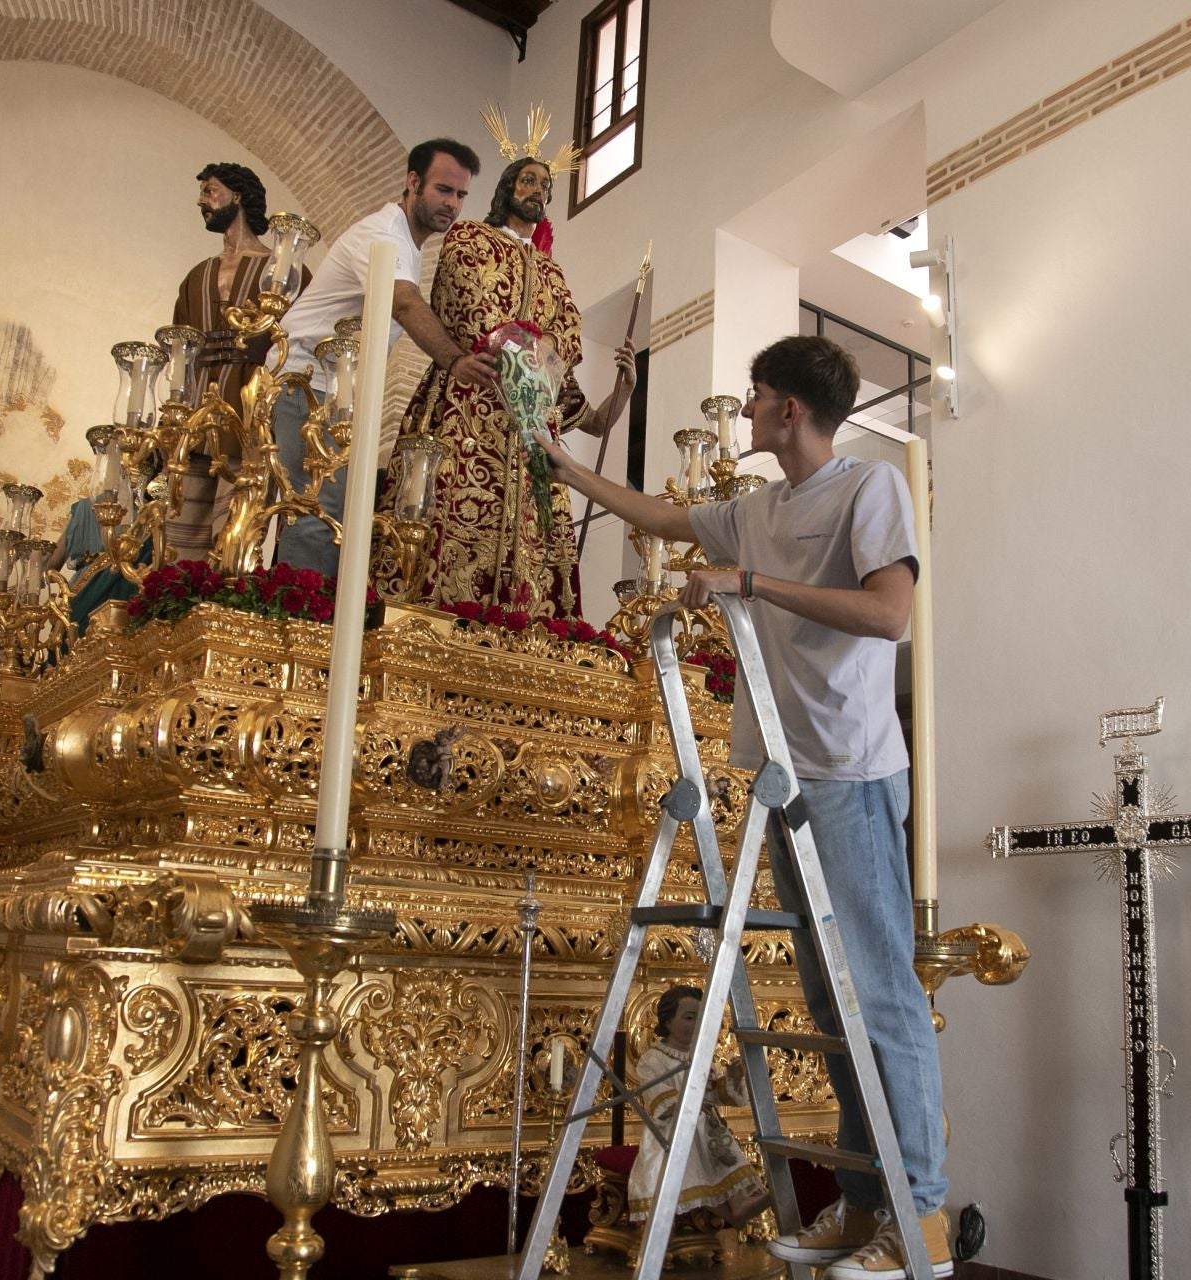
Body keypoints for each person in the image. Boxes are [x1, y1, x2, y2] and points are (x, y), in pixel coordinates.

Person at [538, 335, 950, 1279]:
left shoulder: (868, 489)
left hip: (849, 772)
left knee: (880, 994)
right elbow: (665, 515)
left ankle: (920, 1217)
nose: (750, 406)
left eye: (758, 395)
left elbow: (891, 615)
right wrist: (567, 469)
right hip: (784, 780)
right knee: (824, 997)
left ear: (788, 411)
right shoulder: (761, 505)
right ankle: (863, 1202)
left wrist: (753, 585)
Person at [368, 154, 635, 618]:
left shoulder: (553, 273)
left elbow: (575, 358)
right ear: (508, 187)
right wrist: (530, 348)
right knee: (445, 521)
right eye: (528, 180)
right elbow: (470, 305)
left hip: (532, 424)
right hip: (470, 404)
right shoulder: (470, 237)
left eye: (545, 186)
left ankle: (522, 627)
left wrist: (622, 386)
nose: (537, 191)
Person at [271, 138, 486, 576]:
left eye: (461, 195)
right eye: (444, 190)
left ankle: (314, 618)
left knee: (334, 513)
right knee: (317, 509)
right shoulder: (383, 233)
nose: (453, 204)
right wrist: (455, 361)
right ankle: (301, 625)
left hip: (338, 389)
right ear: (413, 182)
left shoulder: (408, 244)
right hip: (304, 381)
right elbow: (403, 303)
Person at [169, 162, 308, 559]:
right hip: (195, 425)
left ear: (238, 196)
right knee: (179, 539)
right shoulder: (196, 277)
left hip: (251, 427)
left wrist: (260, 353)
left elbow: (300, 349)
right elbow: (180, 349)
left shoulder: (284, 273)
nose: (202, 201)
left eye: (210, 191)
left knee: (232, 540)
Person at [627, 985, 771, 1229]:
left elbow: (719, 1094)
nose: (695, 1024)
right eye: (688, 1017)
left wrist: (734, 1077)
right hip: (669, 1134)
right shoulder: (654, 1059)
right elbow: (659, 1101)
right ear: (668, 1021)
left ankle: (740, 1204)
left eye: (700, 1018)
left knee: (714, 1137)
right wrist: (693, 1104)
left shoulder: (702, 1057)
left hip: (706, 1129)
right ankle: (735, 1210)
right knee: (694, 1133)